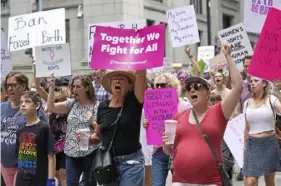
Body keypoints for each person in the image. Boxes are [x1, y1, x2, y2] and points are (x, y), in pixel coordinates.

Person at [162, 43, 243, 186]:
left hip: (210, 182)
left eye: (197, 86)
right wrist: (165, 145)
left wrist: (228, 57)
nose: (192, 90)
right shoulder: (178, 117)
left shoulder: (219, 112)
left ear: (207, 92)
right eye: (189, 88)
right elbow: (169, 151)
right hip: (180, 182)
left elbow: (238, 87)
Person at [91, 70, 146, 186]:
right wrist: (90, 138)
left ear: (130, 86)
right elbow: (98, 134)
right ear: (110, 85)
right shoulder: (103, 107)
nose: (117, 81)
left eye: (122, 79)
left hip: (131, 163)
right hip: (108, 163)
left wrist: (141, 68)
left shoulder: (134, 102)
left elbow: (141, 76)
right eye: (114, 79)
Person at [47, 75, 98, 186]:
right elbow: (51, 107)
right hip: (71, 152)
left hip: (89, 152)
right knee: (71, 183)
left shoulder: (96, 106)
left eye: (78, 86)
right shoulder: (72, 103)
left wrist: (91, 121)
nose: (74, 89)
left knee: (89, 183)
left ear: (87, 88)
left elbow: (100, 130)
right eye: (73, 86)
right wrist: (51, 88)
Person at [1, 72, 48, 186]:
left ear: (23, 86)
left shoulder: (33, 108)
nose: (10, 89)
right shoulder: (2, 107)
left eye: (13, 85)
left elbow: (45, 132)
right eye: (8, 85)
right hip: (5, 163)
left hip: (25, 162)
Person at [242, 77, 281, 186]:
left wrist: (278, 91)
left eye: (255, 81)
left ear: (264, 83)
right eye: (251, 81)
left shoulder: (272, 99)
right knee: (250, 182)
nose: (252, 83)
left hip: (269, 143)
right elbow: (247, 128)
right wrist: (244, 148)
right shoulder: (247, 103)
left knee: (269, 182)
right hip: (252, 144)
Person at [15, 91, 55, 186]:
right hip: (22, 179)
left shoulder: (44, 128)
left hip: (39, 178)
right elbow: (19, 155)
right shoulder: (20, 129)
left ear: (37, 106)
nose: (23, 105)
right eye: (21, 102)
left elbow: (51, 156)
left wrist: (51, 180)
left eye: (27, 102)